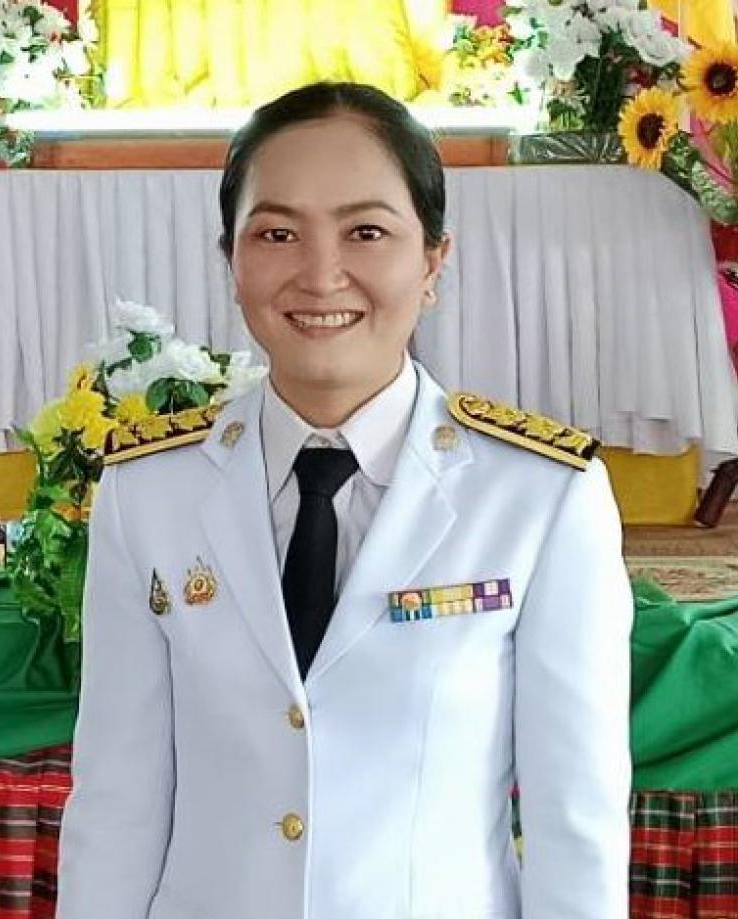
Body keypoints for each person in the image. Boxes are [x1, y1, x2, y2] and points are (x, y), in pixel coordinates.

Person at [56, 82, 633, 918]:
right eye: (277, 233)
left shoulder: (539, 495)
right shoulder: (150, 490)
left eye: (366, 231)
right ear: (231, 259)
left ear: (432, 261)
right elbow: (117, 800)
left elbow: (574, 820)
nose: (321, 274)